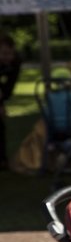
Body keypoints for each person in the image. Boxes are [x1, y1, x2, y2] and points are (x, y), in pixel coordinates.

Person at [0, 34, 21, 170]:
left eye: (10, 53)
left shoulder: (15, 62)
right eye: (4, 53)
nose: (8, 57)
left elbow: (9, 87)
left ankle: (2, 160)